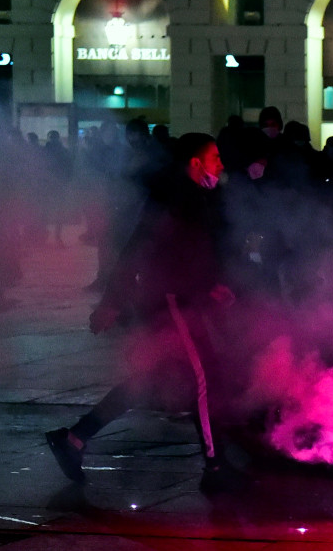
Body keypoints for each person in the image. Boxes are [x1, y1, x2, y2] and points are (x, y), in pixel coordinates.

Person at [45, 133, 242, 493]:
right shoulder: (174, 196)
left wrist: (213, 284)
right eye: (214, 157)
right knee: (205, 379)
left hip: (182, 298)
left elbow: (195, 252)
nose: (221, 164)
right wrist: (112, 301)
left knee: (149, 381)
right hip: (172, 301)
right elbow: (140, 247)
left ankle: (73, 439)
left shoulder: (195, 196)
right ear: (195, 163)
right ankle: (215, 467)